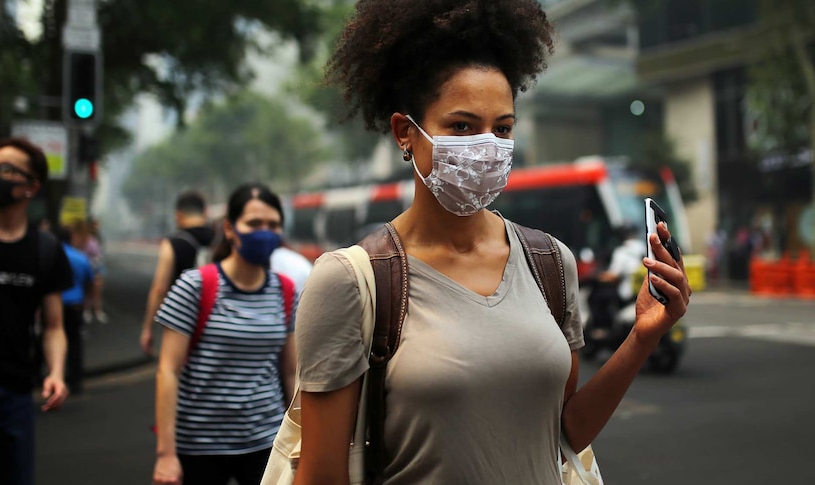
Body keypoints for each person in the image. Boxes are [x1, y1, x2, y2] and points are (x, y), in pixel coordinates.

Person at [291, 2, 692, 484]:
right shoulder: (351, 282)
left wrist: (642, 337)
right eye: (461, 126)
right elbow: (320, 476)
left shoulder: (549, 262)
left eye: (502, 128)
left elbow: (563, 434)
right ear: (405, 133)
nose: (487, 147)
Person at [152, 183, 298, 485]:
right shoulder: (194, 286)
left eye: (272, 225)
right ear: (230, 229)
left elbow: (291, 372)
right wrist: (166, 454)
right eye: (254, 224)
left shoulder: (285, 291)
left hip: (265, 443)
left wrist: (300, 437)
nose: (264, 232)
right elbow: (168, 371)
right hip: (199, 446)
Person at [0, 137, 72, 485]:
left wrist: (57, 372)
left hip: (16, 393)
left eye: (7, 170)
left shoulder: (45, 250)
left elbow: (53, 326)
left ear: (31, 187)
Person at [140, 191, 215, 355]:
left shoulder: (173, 243)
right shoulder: (221, 239)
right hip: (217, 317)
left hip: (183, 320)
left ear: (179, 215)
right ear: (204, 212)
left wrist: (148, 328)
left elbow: (159, 288)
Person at [587, 225, 645, 337]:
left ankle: (603, 328)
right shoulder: (642, 247)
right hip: (644, 289)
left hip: (627, 293)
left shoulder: (621, 252)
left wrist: (597, 276)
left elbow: (613, 275)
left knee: (596, 297)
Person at [58, 224, 95, 395]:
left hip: (55, 307)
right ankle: (75, 382)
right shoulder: (80, 258)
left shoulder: (50, 256)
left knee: (50, 340)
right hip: (75, 306)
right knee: (75, 343)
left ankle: (50, 378)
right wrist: (88, 302)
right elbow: (90, 281)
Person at [81, 218, 107, 324]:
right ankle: (87, 310)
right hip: (89, 267)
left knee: (97, 290)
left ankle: (98, 311)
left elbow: (100, 252)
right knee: (88, 290)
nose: (97, 227)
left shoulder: (98, 237)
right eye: (95, 225)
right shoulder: (86, 239)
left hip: (98, 267)